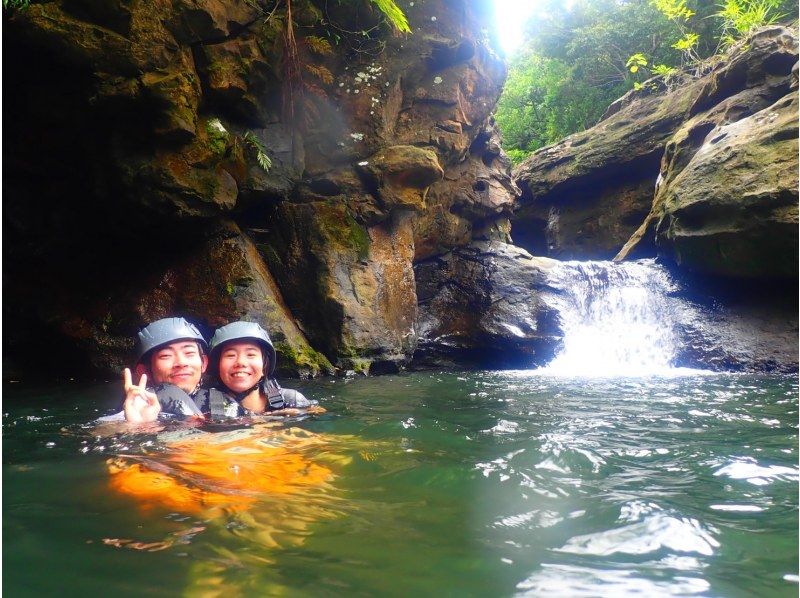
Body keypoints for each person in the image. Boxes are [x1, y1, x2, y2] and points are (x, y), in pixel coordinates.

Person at [206, 321, 323, 417]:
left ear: (264, 366)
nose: (240, 362)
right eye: (230, 355)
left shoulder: (291, 400)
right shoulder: (203, 405)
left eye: (251, 354)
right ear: (217, 365)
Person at [122, 317, 217, 423]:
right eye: (166, 355)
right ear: (145, 371)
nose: (181, 363)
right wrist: (137, 426)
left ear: (203, 363)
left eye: (189, 353)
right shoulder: (135, 407)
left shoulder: (222, 402)